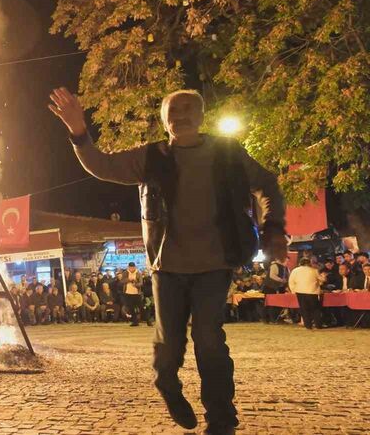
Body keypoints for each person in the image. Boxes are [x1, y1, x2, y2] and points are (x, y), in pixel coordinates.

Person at [50, 86, 286, 434]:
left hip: (215, 264)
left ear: (203, 115)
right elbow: (101, 164)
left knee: (209, 340)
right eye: (173, 110)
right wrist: (78, 131)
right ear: (164, 121)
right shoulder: (152, 157)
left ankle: (221, 421)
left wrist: (273, 228)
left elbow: (266, 183)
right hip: (168, 268)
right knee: (168, 346)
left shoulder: (227, 153)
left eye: (189, 108)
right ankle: (167, 384)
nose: (181, 114)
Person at [288, 258, 322, 330]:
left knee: (304, 309)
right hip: (313, 292)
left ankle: (308, 325)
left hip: (300, 292)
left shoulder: (295, 270)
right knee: (315, 309)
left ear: (300, 263)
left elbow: (291, 281)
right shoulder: (314, 270)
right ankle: (318, 324)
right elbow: (320, 280)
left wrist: (293, 291)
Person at [122, 262, 144, 327]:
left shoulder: (138, 273)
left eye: (132, 267)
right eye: (130, 267)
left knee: (141, 307)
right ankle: (135, 321)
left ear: (135, 267)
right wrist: (129, 279)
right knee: (131, 308)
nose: (131, 269)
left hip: (136, 293)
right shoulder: (125, 273)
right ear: (128, 267)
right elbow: (122, 281)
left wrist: (136, 285)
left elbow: (141, 283)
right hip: (128, 293)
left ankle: (148, 320)